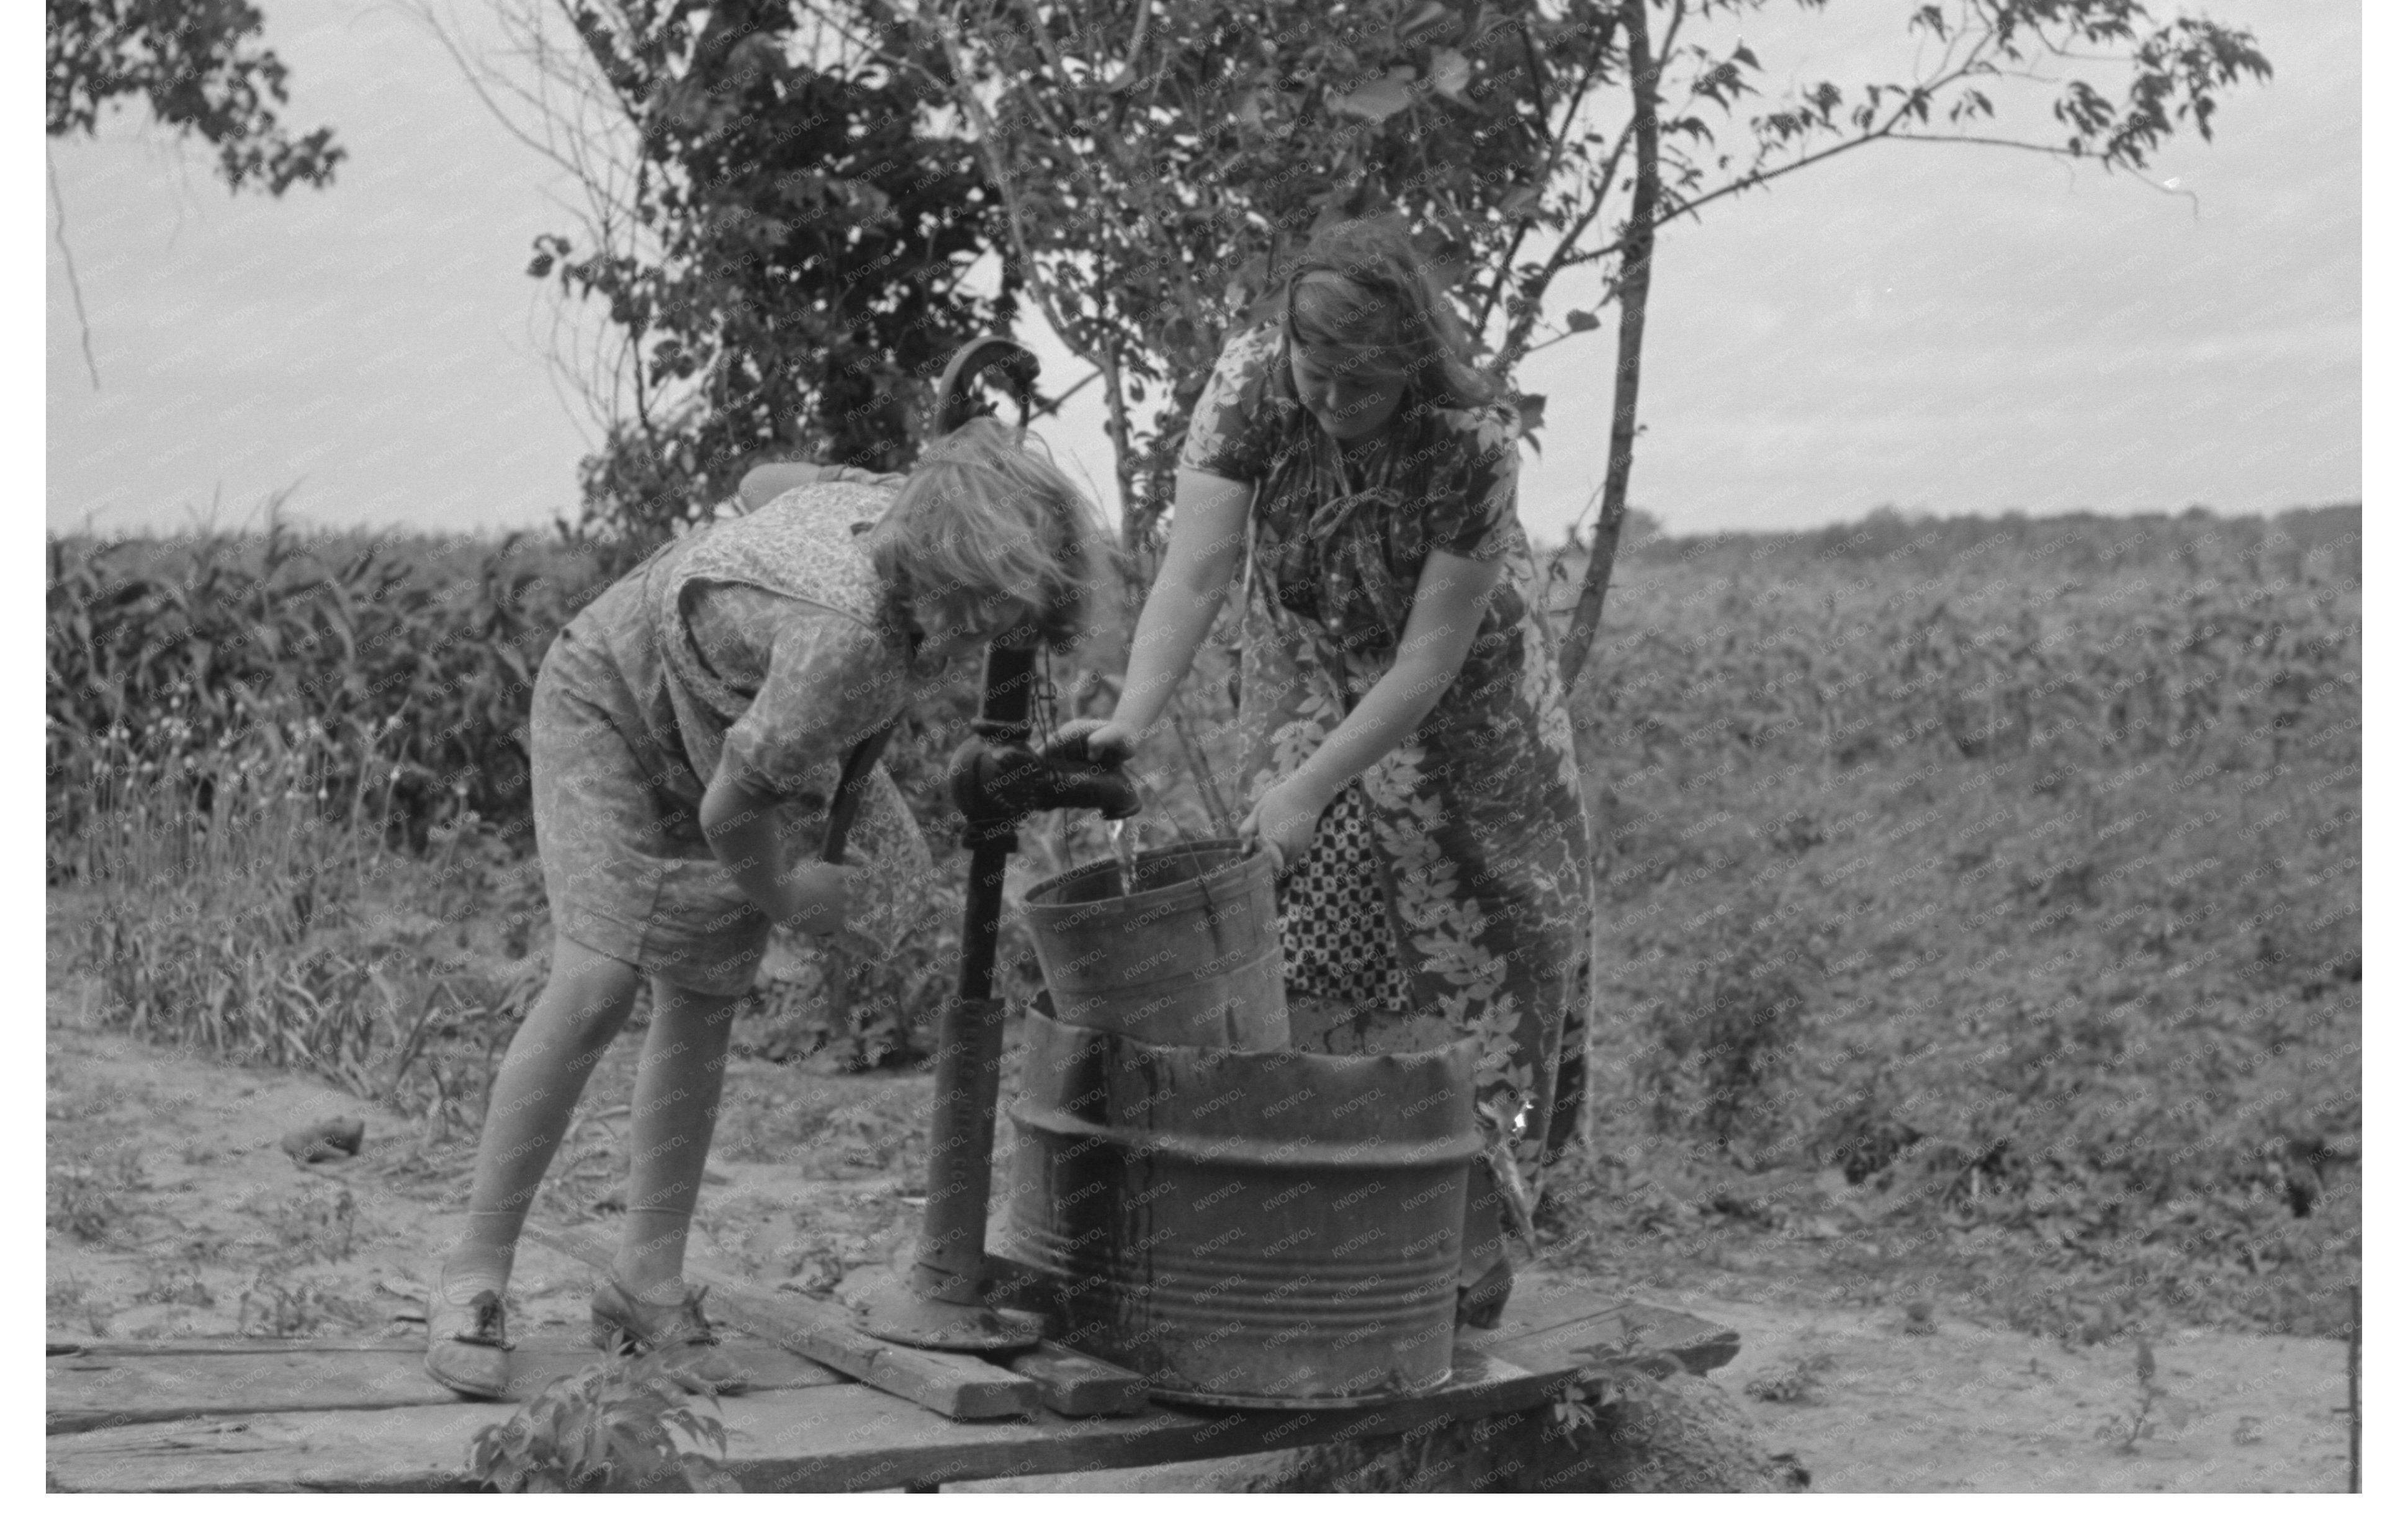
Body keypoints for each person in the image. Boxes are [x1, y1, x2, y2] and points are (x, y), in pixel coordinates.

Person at [425, 419, 1105, 1399]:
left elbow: (759, 481)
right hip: (612, 699)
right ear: (950, 568)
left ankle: (644, 1285)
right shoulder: (850, 648)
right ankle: (475, 1275)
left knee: (702, 996)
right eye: (987, 612)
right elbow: (730, 814)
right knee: (598, 983)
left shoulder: (886, 500)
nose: (986, 639)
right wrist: (789, 892)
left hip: (725, 722)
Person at [1048, 218, 1595, 1326]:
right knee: (1302, 926)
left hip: (1463, 703)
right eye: (1318, 372)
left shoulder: (1470, 443)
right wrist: (1134, 715)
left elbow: (1428, 661)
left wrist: (1315, 787)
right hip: (1305, 660)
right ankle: (1325, 1223)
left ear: (1412, 363)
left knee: (1489, 948)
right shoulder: (1252, 382)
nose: (1336, 400)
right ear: (1288, 343)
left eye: (1365, 382)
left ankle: (1463, 1245)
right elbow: (1196, 570)